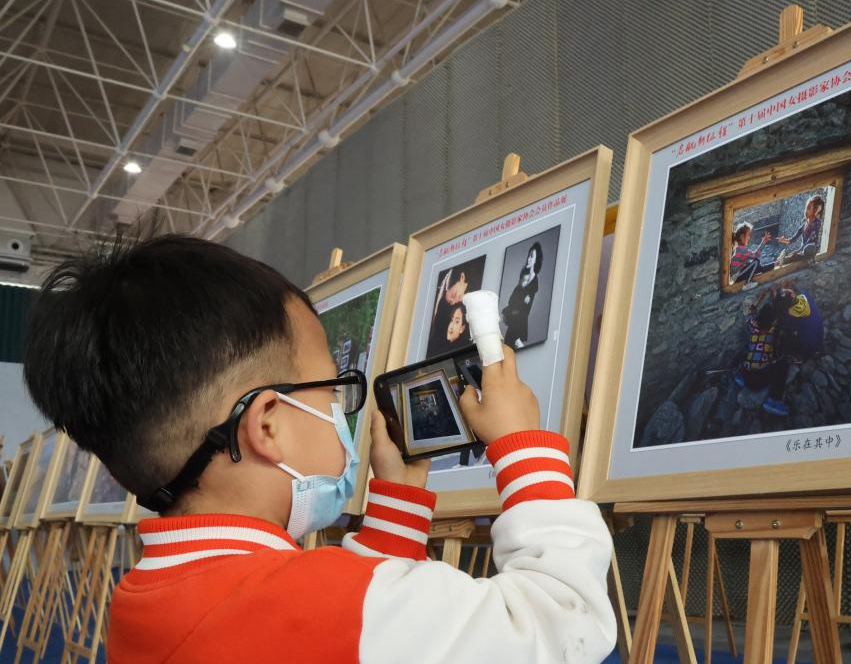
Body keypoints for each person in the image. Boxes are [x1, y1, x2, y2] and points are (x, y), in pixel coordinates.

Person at [22, 236, 615, 664]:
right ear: (267, 425)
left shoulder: (145, 599)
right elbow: (564, 621)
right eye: (333, 389)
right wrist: (522, 448)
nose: (340, 409)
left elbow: (361, 627)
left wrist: (398, 500)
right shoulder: (331, 606)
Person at [734, 291, 790, 416]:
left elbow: (752, 310)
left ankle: (740, 377)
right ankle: (774, 400)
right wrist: (775, 293)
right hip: (758, 382)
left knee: (748, 351)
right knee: (782, 364)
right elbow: (780, 313)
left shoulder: (753, 325)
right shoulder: (772, 332)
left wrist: (761, 297)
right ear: (772, 323)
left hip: (746, 374)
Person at [502, 242, 543, 348]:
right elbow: (512, 300)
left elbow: (524, 306)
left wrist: (519, 302)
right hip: (513, 320)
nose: (528, 259)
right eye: (528, 256)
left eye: (531, 256)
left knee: (513, 347)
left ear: (536, 260)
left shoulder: (534, 282)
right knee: (508, 347)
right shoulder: (523, 275)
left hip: (520, 322)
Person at [777, 195, 824, 264]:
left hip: (809, 249)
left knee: (808, 248)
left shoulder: (817, 223)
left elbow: (810, 241)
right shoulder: (804, 225)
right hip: (803, 250)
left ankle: (787, 259)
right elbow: (793, 239)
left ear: (815, 210)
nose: (806, 210)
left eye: (808, 208)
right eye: (806, 207)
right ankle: (782, 260)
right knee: (793, 255)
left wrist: (797, 251)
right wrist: (784, 240)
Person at [729, 222, 772, 290]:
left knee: (755, 264)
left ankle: (772, 265)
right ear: (742, 237)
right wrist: (763, 242)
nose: (749, 238)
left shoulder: (738, 248)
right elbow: (756, 255)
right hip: (737, 276)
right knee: (756, 261)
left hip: (737, 275)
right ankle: (747, 284)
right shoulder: (741, 249)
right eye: (748, 235)